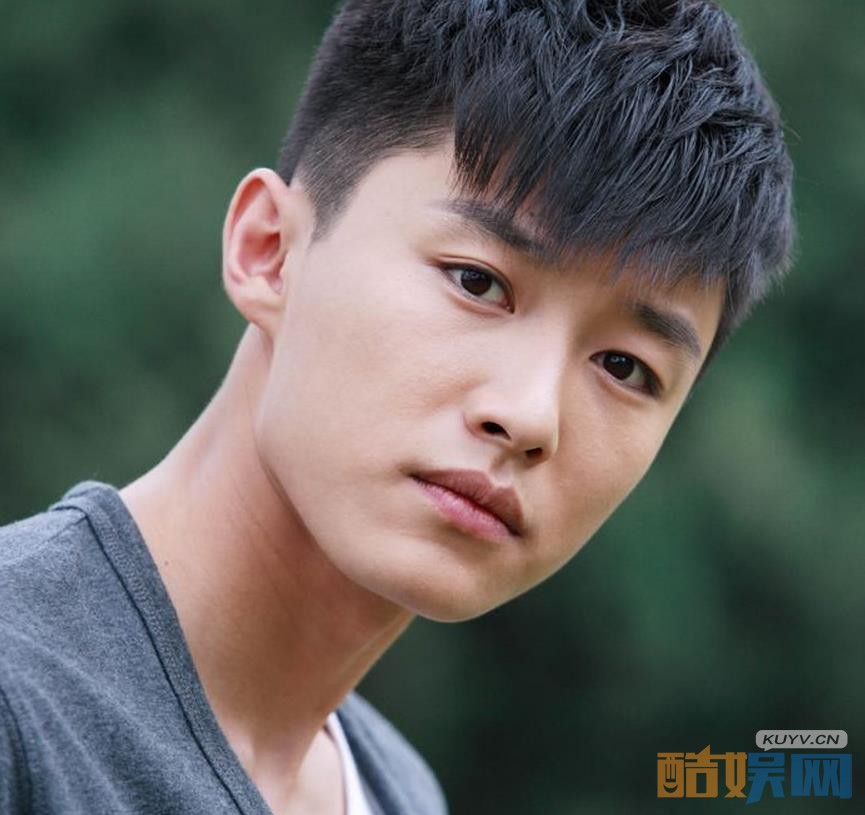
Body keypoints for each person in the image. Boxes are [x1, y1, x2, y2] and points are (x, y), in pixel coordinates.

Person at [0, 1, 793, 813]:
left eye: (624, 367)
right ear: (269, 251)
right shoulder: (21, 706)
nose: (529, 416)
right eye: (477, 282)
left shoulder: (401, 792)